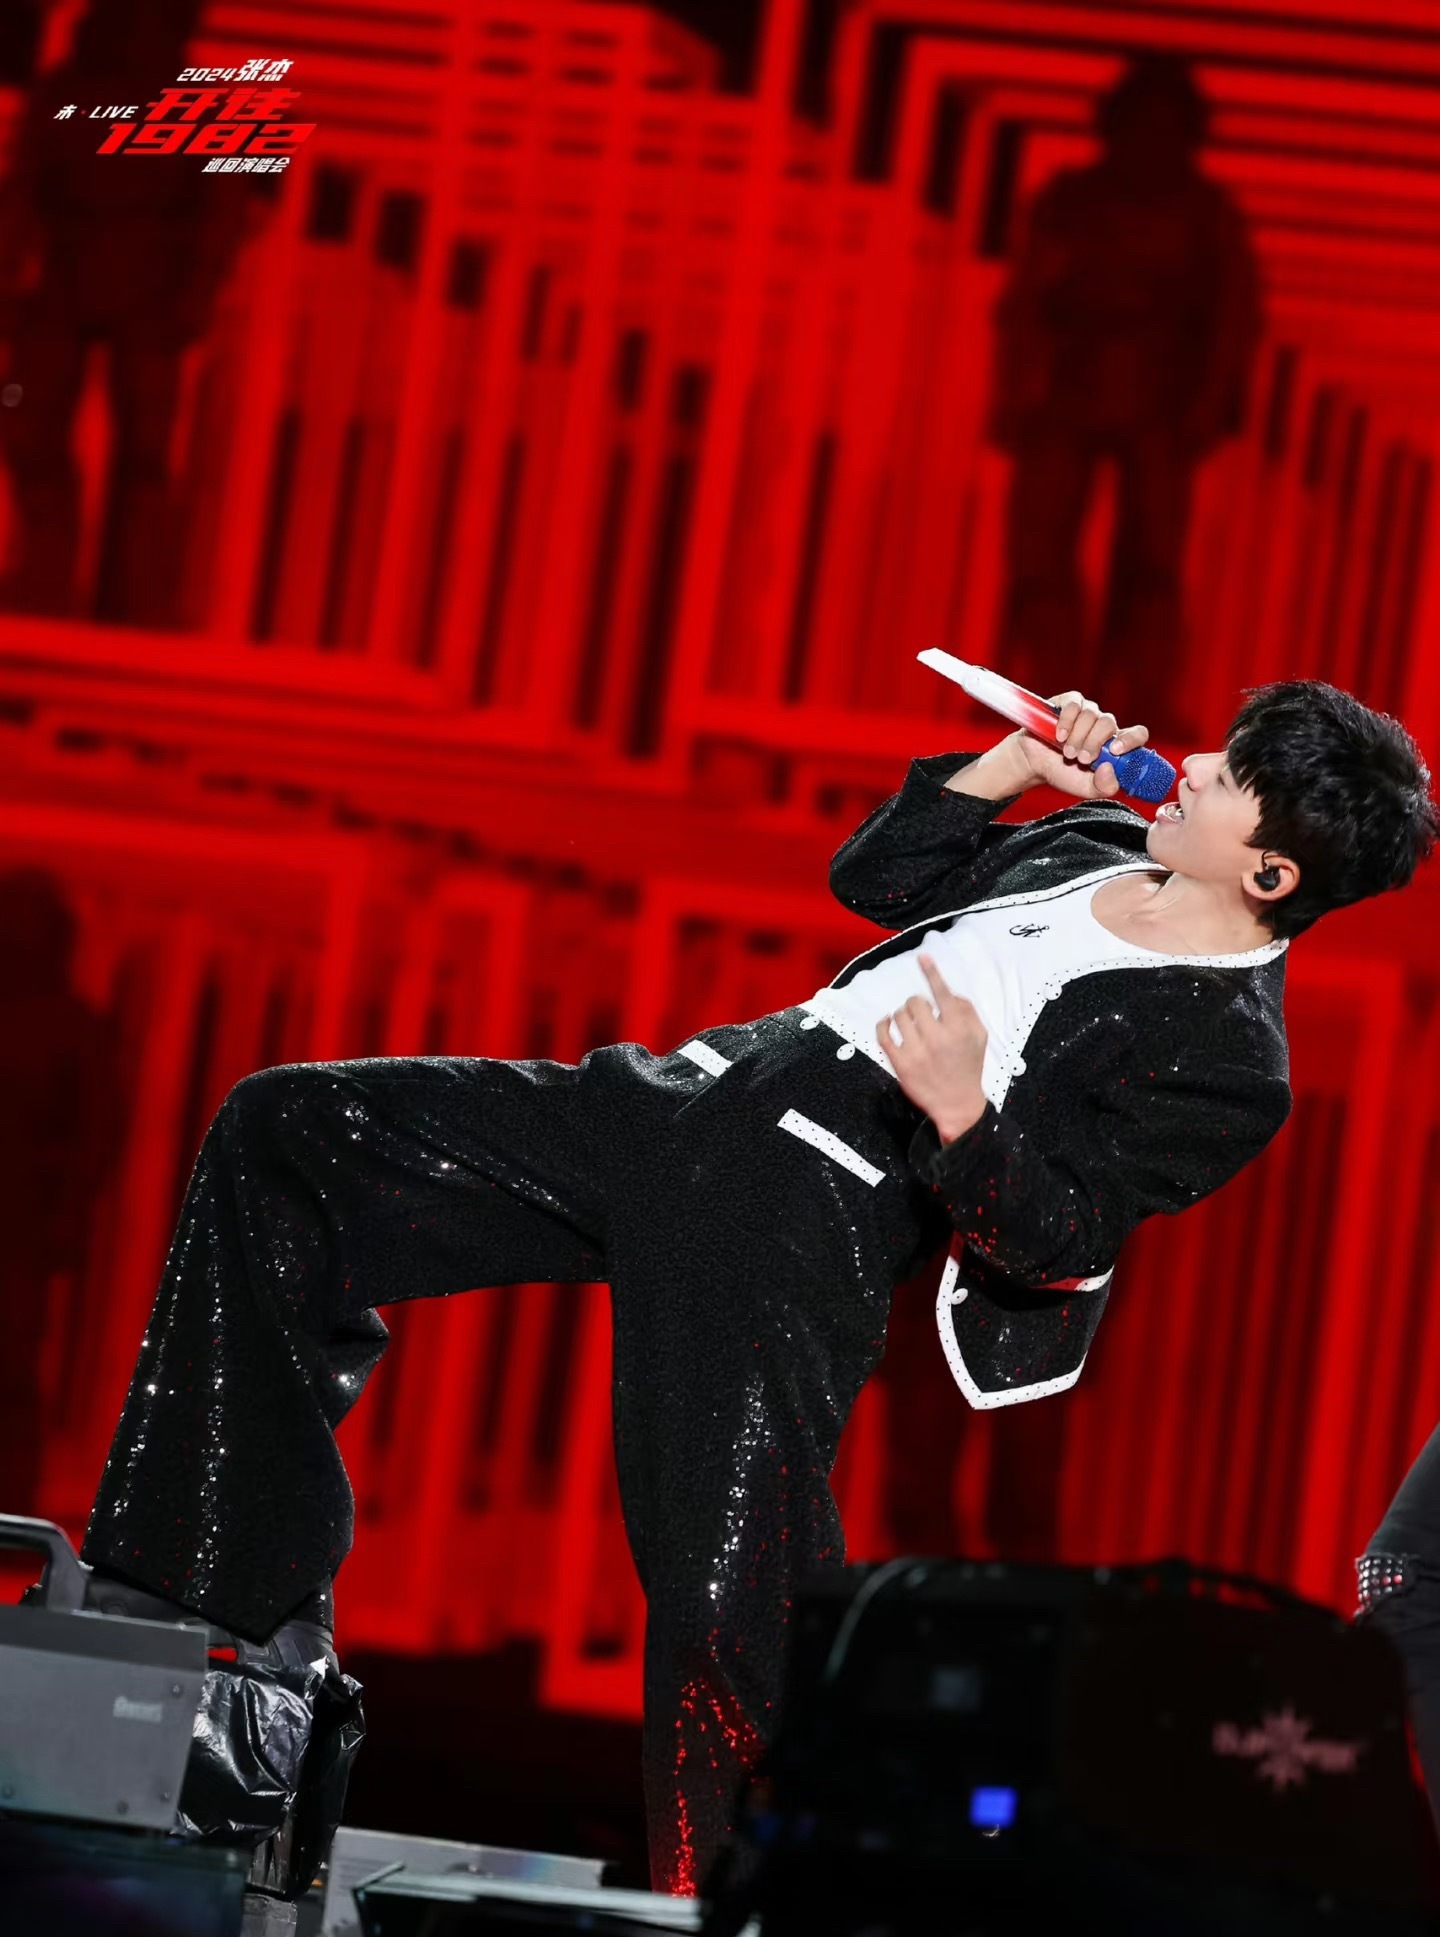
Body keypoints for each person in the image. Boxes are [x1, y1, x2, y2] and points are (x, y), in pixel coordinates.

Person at [75, 679, 1435, 1894]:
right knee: (295, 1129)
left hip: (801, 1215)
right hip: (687, 1098)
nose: (1188, 764)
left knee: (736, 1595)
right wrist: (1006, 772)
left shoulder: (1230, 1059)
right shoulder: (1092, 842)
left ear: (1269, 871)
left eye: (1227, 775)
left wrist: (964, 1114)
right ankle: (222, 1598)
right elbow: (876, 878)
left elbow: (1062, 1237)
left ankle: (750, 1898)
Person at [990, 53, 1262, 733]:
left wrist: (1209, 403)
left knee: (1151, 566)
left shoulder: (1206, 217)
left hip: (1161, 401)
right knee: (1043, 550)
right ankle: (1052, 688)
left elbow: (1233, 320)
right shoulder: (1071, 202)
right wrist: (1016, 387)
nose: (1150, 143)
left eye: (1164, 127)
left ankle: (1138, 697)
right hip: (1070, 386)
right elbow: (1025, 300)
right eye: (1140, 124)